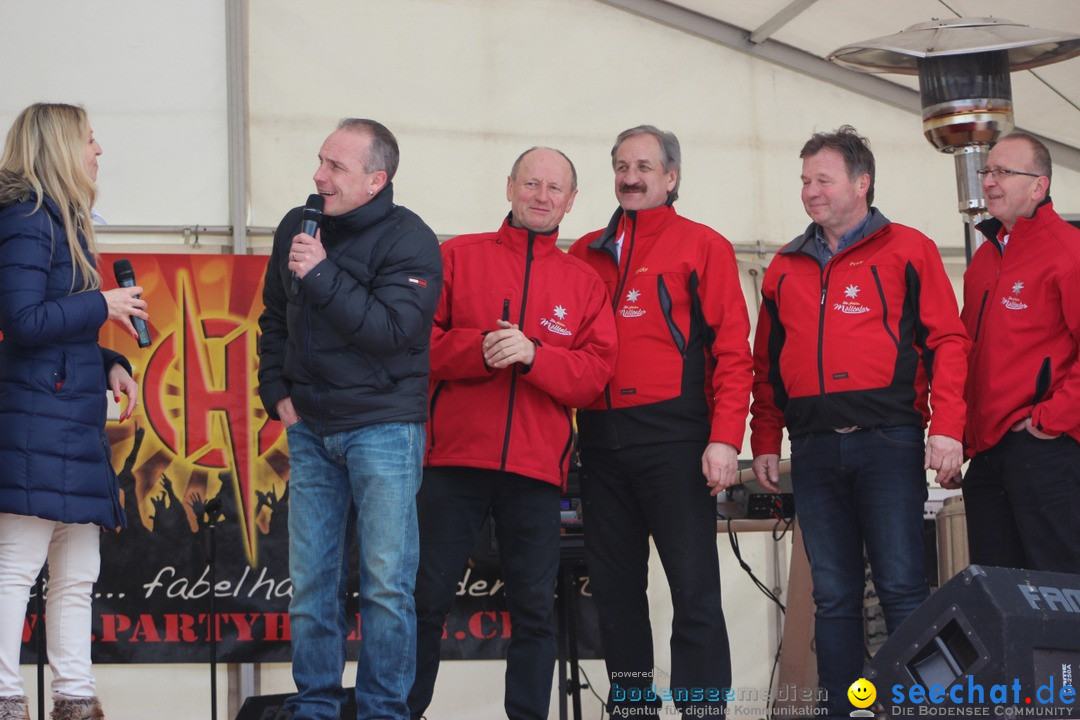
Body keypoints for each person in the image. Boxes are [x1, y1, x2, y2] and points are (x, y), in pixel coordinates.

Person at [749, 125, 969, 718]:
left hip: (890, 444)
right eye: (804, 181)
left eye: (823, 179)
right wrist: (763, 439)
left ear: (861, 182)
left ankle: (916, 710)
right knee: (834, 597)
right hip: (814, 449)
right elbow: (766, 365)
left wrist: (947, 425)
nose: (810, 191)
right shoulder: (784, 267)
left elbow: (949, 341)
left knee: (901, 588)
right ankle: (843, 712)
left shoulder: (909, 249)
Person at [408, 147, 617, 720]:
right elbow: (415, 346)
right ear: (509, 187)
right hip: (451, 462)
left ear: (572, 201)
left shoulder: (583, 282)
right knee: (423, 602)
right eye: (532, 184)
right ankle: (400, 712)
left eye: (555, 189)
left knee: (533, 610)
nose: (542, 196)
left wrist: (535, 355)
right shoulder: (456, 256)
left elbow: (596, 374)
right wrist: (479, 348)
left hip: (534, 472)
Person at [257, 118, 441, 720]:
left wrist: (321, 272)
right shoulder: (297, 225)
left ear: (375, 179)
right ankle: (314, 706)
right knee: (311, 582)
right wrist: (275, 391)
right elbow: (273, 320)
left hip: (384, 428)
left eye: (335, 166)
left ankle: (384, 710)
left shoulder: (410, 239)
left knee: (386, 586)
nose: (318, 175)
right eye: (319, 161)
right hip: (311, 428)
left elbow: (394, 333)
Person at [567, 125, 751, 718]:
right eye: (621, 165)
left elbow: (733, 351)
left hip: (676, 438)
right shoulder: (583, 253)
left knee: (693, 590)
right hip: (598, 440)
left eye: (644, 165)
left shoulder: (703, 245)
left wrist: (726, 438)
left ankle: (702, 711)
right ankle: (632, 708)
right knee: (617, 593)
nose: (631, 176)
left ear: (671, 177)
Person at [0, 103, 143, 720]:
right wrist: (105, 304)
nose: (98, 150)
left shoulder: (63, 222)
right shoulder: (27, 220)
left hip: (68, 418)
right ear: (60, 146)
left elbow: (56, 325)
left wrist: (109, 358)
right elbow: (23, 321)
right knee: (18, 565)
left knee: (78, 569)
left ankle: (75, 697)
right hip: (36, 417)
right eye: (89, 138)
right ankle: (6, 694)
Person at [959, 132, 1080, 572]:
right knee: (998, 601)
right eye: (987, 171)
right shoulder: (984, 260)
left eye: (1003, 172)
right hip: (988, 455)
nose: (990, 181)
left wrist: (1051, 420)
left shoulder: (1069, 251)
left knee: (1061, 594)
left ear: (1039, 185)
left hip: (1045, 451)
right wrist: (960, 436)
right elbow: (967, 355)